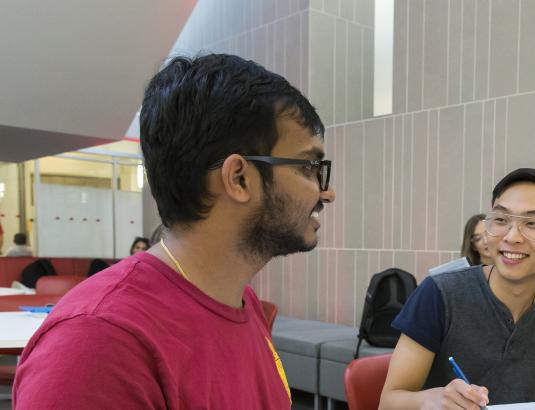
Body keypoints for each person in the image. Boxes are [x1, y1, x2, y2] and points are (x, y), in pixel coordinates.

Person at [13, 54, 335, 409]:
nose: (326, 192)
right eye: (310, 167)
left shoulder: (240, 301)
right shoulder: (101, 342)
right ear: (238, 178)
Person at [380, 168, 535, 409]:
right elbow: (388, 402)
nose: (512, 236)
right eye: (500, 220)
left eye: (532, 223)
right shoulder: (439, 294)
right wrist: (432, 399)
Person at [428, 213, 493, 276]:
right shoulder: (465, 274)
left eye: (488, 234)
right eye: (477, 238)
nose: (485, 241)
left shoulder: (502, 269)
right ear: (473, 246)